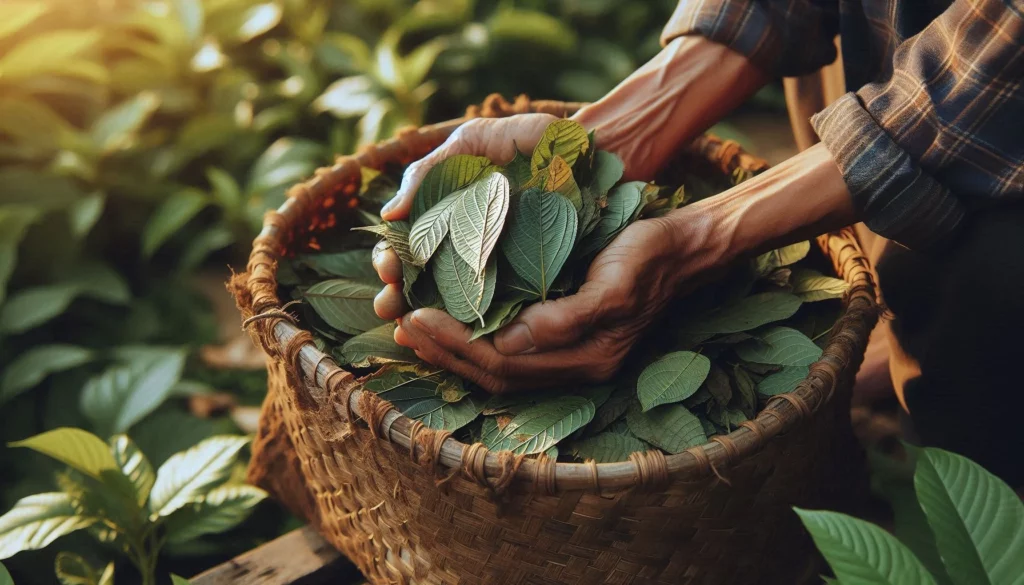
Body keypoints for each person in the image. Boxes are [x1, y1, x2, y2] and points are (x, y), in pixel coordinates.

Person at [371, 0, 1024, 486]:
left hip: (998, 148)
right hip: (900, 71)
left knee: (978, 378)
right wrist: (602, 142)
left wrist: (694, 240)